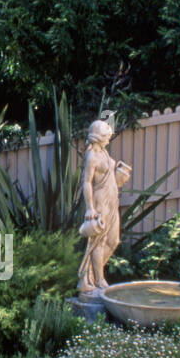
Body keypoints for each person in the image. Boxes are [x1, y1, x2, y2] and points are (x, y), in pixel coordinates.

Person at [78, 118, 130, 295]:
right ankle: (98, 279)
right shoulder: (91, 156)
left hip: (112, 201)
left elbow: (107, 177)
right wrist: (90, 208)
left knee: (114, 240)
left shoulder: (104, 153)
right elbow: (86, 183)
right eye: (107, 136)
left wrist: (118, 177)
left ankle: (91, 274)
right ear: (99, 136)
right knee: (97, 243)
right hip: (100, 203)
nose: (109, 138)